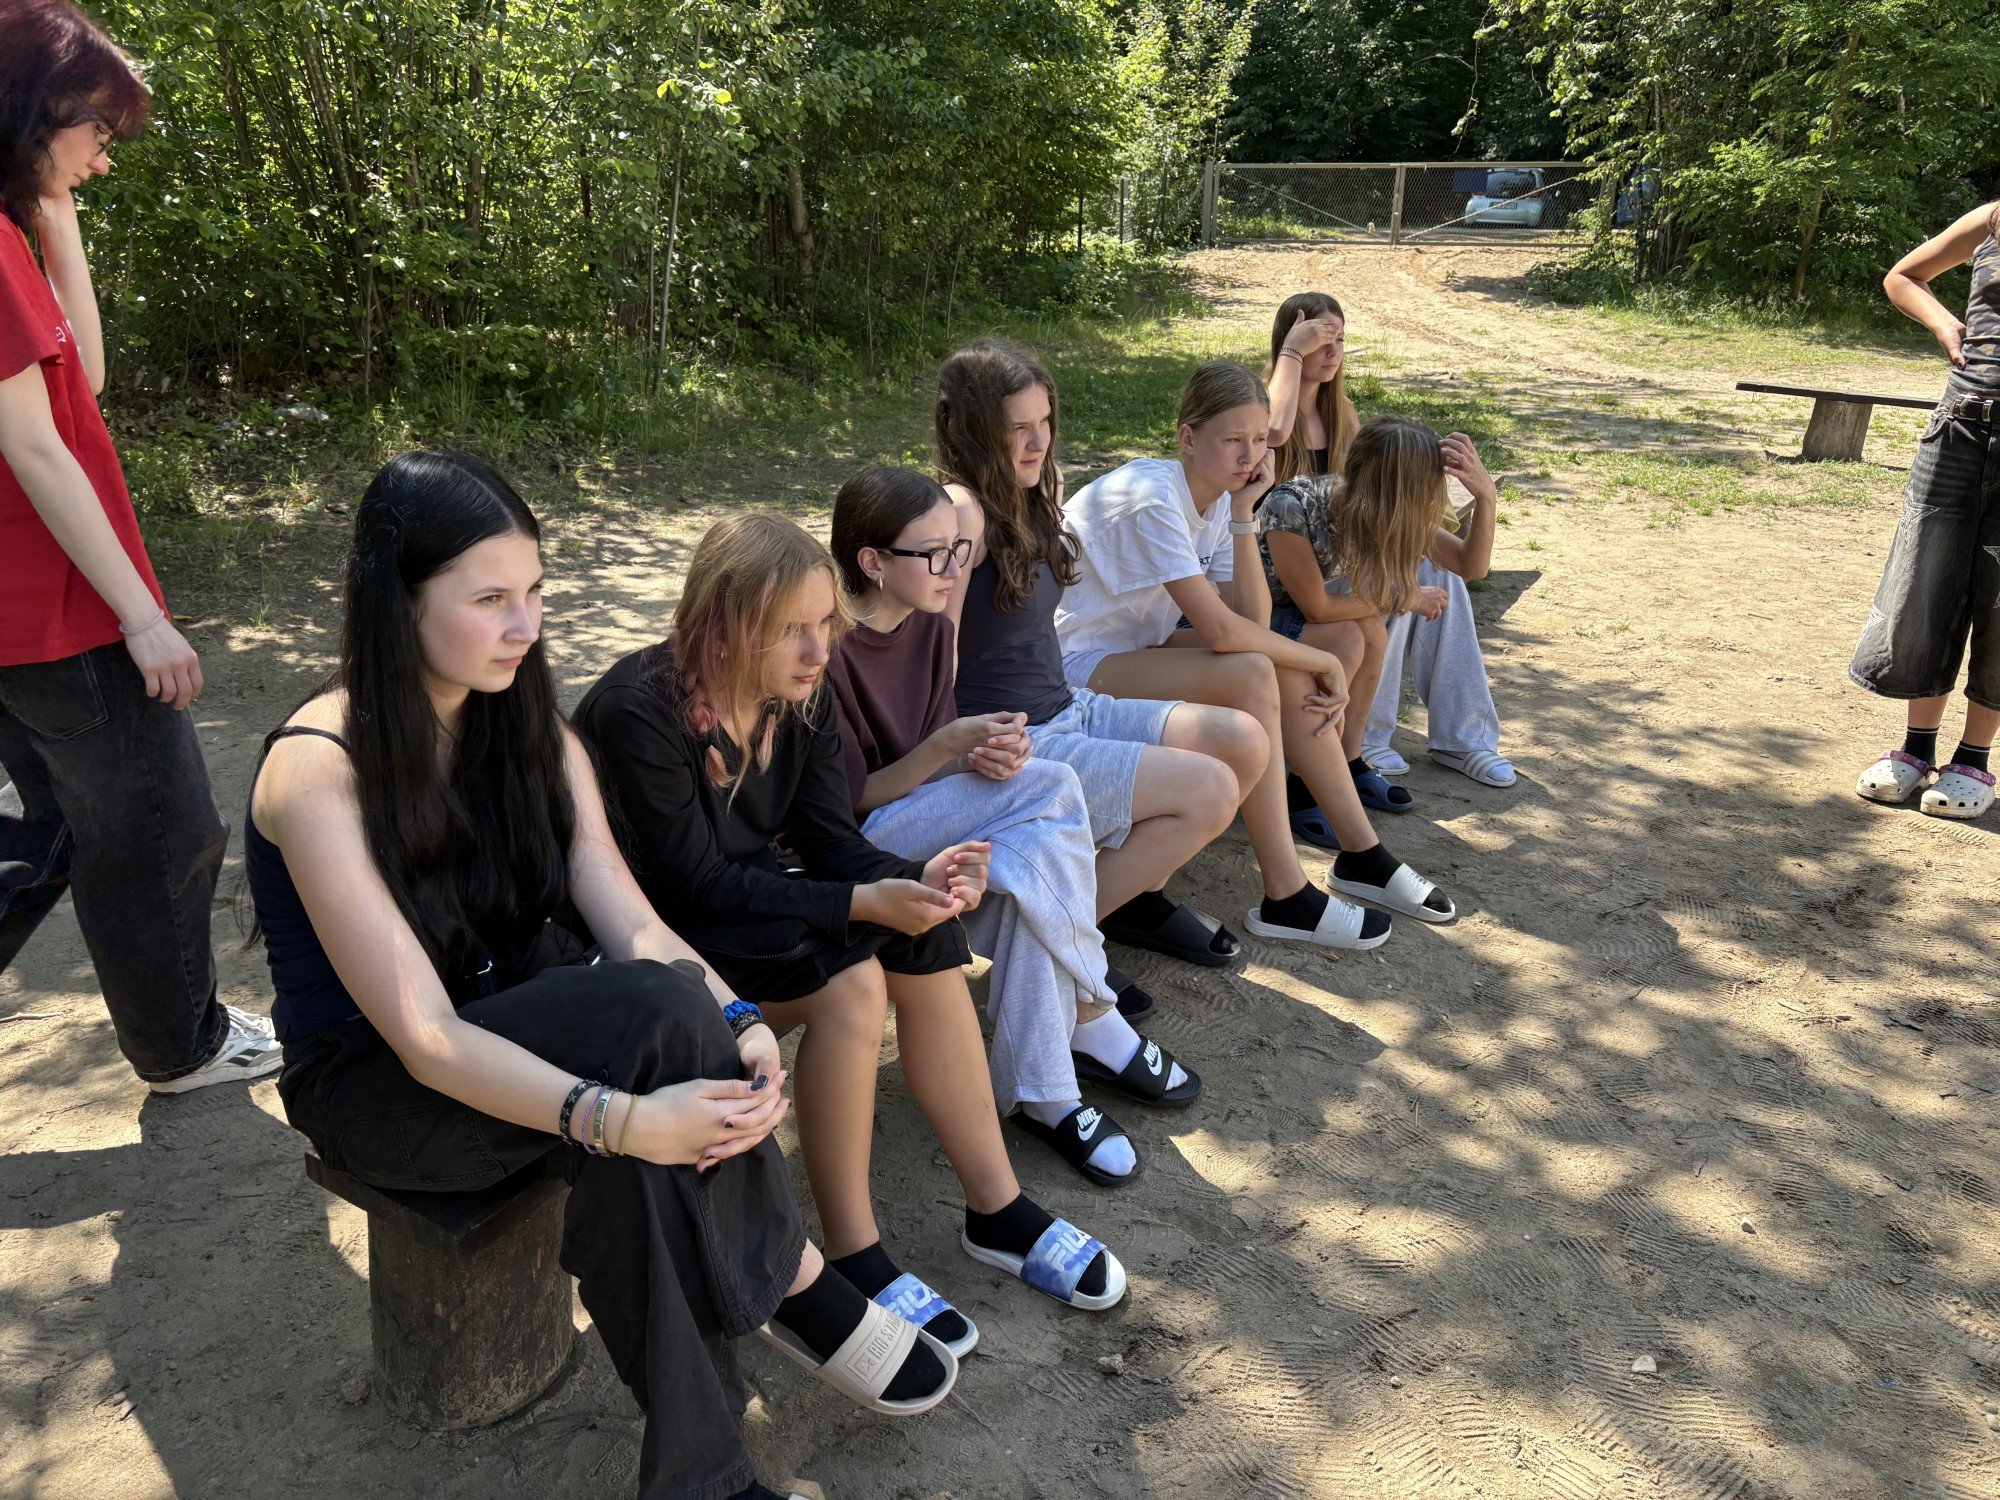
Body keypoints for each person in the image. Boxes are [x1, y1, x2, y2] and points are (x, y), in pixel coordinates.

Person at [253, 453, 958, 1500]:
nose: (525, 627)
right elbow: (427, 1039)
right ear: (398, 601)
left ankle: (702, 1478)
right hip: (379, 1083)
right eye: (489, 600)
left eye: (534, 592)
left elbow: (626, 916)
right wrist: (619, 1119)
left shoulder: (523, 724)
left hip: (510, 1014)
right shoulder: (318, 767)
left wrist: (735, 1019)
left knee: (660, 1063)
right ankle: (791, 1275)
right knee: (640, 1090)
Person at [574, 512, 1128, 1363]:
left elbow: (832, 841)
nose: (816, 651)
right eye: (789, 630)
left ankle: (996, 1206)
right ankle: (855, 1251)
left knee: (924, 938)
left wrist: (914, 881)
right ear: (722, 628)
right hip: (654, 947)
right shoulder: (637, 711)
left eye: (824, 623)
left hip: (743, 908)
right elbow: (694, 889)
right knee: (855, 981)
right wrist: (864, 901)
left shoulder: (799, 694)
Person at [0, 0, 277, 1091]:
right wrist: (143, 618)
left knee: (65, 831)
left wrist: (54, 213)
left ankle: (172, 1029)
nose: (105, 157)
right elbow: (35, 447)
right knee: (164, 828)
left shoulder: (12, 236)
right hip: (57, 611)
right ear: (34, 111)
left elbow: (87, 381)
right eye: (97, 133)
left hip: (26, 614)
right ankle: (182, 1046)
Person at [825, 465, 1201, 1188]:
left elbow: (937, 758)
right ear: (872, 562)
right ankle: (1094, 1003)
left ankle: (1046, 1096)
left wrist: (981, 756)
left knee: (1031, 875)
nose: (954, 569)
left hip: (923, 816)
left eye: (958, 550)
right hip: (855, 847)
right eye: (935, 554)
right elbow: (852, 800)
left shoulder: (928, 630)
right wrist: (948, 749)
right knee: (1054, 784)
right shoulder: (833, 652)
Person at [1056, 360, 1458, 944]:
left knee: (1275, 667)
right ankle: (1286, 890)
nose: (1250, 457)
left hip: (1131, 647)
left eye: (1259, 440)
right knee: (1256, 670)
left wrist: (1245, 513)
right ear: (1188, 438)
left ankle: (1360, 853)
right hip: (1070, 664)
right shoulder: (1153, 497)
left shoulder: (1221, 501)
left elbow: (1251, 620)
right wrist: (1321, 661)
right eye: (1233, 441)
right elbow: (1226, 634)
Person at [935, 340, 1264, 980]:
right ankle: (1050, 949)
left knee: (1243, 742)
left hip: (1067, 705)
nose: (1038, 442)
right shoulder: (962, 513)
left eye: (1045, 422)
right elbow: (934, 653)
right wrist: (949, 750)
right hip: (1013, 737)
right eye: (1018, 429)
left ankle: (1103, 913)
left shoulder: (1034, 489)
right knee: (1209, 790)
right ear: (976, 432)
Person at [1263, 290, 1516, 797]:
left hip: (1344, 537)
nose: (1333, 352)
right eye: (1319, 339)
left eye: (1340, 340)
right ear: (1291, 339)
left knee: (1437, 572)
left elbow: (1463, 560)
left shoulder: (1342, 413)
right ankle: (1366, 741)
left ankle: (1462, 738)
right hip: (1285, 562)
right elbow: (1272, 432)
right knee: (1390, 591)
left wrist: (1485, 497)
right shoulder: (1263, 404)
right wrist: (1291, 353)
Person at [1258, 416, 1502, 848]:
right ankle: (1303, 781)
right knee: (1353, 636)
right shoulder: (1292, 506)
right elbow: (1316, 607)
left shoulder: (1382, 510)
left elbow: (1471, 566)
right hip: (1255, 617)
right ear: (1391, 491)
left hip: (1300, 614)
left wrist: (1486, 498)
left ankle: (1350, 760)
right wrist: (1405, 597)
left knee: (1370, 629)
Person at [1851, 197, 2000, 820]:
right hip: (1959, 427)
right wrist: (1945, 324)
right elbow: (1903, 277)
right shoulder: (1994, 217)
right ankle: (1917, 748)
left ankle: (1975, 757)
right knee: (1924, 583)